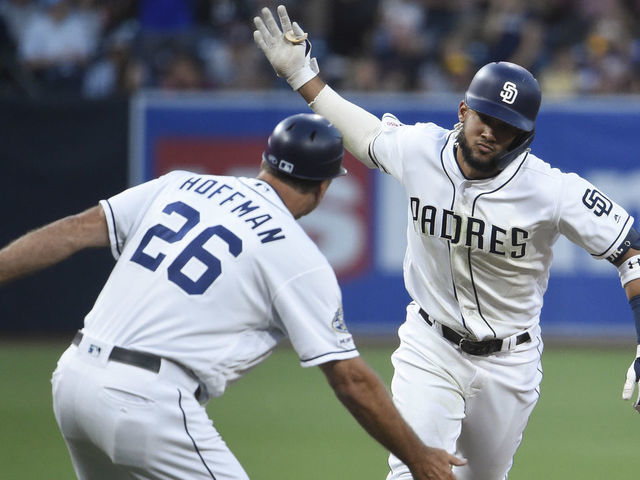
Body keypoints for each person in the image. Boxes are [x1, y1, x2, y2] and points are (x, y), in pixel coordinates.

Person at [253, 6, 640, 480]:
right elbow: (366, 134)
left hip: (510, 361)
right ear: (463, 110)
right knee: (414, 473)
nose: (491, 133)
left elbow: (631, 249)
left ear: (528, 136)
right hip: (430, 345)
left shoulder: (551, 191)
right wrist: (301, 75)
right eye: (485, 118)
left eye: (508, 128)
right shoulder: (420, 150)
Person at [0, 113, 465, 480]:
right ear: (325, 187)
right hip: (147, 400)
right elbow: (351, 380)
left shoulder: (179, 183)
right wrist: (418, 457)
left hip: (73, 378)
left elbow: (74, 230)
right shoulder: (296, 254)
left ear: (265, 162)